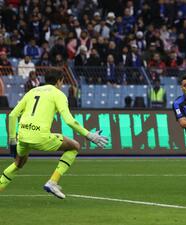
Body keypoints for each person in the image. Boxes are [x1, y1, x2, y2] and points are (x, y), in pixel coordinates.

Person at [0, 70, 108, 199]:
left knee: (18, 164)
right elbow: (69, 120)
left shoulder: (32, 91)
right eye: (62, 82)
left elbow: (12, 115)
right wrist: (89, 135)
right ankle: (53, 182)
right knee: (75, 146)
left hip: (22, 136)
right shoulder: (58, 94)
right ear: (59, 81)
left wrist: (12, 140)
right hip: (40, 136)